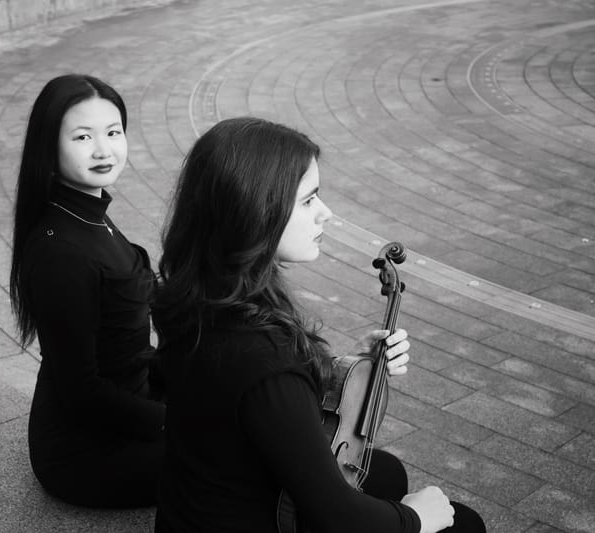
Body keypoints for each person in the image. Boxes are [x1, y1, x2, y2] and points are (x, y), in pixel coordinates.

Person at [151, 117, 486, 532]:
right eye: (308, 201)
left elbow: (239, 409)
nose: (326, 213)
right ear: (256, 211)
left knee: (385, 472)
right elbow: (336, 514)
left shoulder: (194, 296)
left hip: (194, 509)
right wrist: (415, 518)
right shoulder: (263, 359)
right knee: (464, 523)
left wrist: (351, 366)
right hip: (262, 518)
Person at [9, 74, 165, 508]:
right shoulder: (61, 252)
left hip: (130, 405)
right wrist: (172, 422)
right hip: (88, 453)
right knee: (239, 455)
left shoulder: (89, 213)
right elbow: (83, 392)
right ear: (49, 147)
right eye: (83, 137)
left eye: (113, 133)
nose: (104, 150)